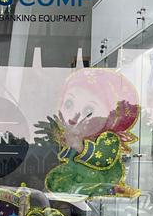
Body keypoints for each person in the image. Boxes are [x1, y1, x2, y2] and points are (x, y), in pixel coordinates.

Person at [45, 67, 141, 197]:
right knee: (54, 179)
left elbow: (104, 159)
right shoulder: (79, 134)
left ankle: (111, 190)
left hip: (101, 177)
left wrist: (79, 145)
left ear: (111, 117)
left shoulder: (109, 137)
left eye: (88, 110)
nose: (74, 117)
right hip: (77, 173)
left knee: (82, 188)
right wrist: (65, 141)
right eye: (68, 104)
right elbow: (67, 155)